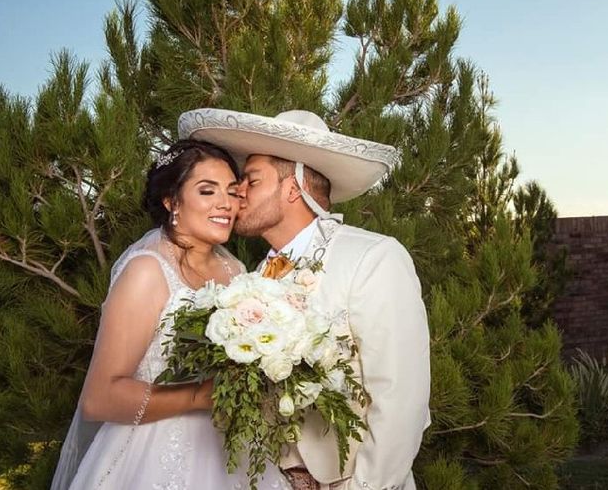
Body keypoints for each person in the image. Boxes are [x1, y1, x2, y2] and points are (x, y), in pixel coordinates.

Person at [179, 109, 431, 490]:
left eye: (252, 180)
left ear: (293, 187)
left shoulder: (373, 258)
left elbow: (401, 401)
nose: (238, 192)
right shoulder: (250, 282)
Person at [51, 139, 291, 490]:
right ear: (171, 201)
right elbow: (99, 398)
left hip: (231, 451)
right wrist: (202, 396)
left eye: (231, 191)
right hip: (151, 456)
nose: (226, 203)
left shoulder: (234, 269)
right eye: (207, 191)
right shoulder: (147, 271)